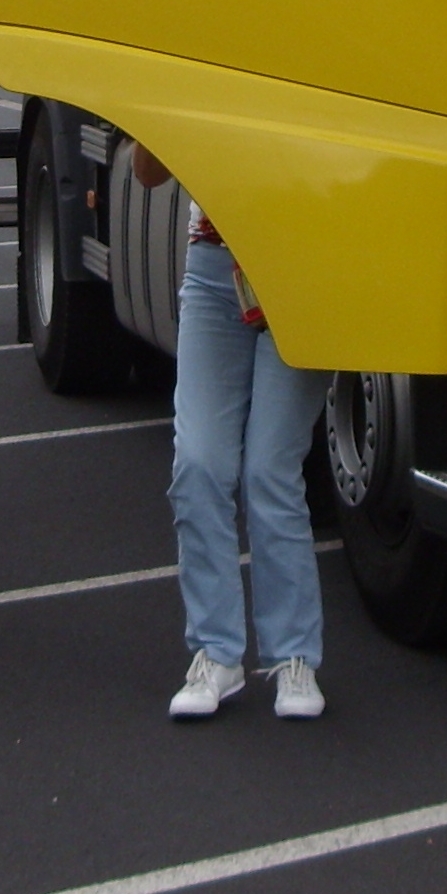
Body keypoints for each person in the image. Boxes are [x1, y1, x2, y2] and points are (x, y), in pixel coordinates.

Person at [128, 141, 325, 721]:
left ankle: (294, 657)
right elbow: (146, 172)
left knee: (270, 469)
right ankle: (216, 653)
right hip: (216, 269)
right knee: (198, 465)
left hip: (303, 268)